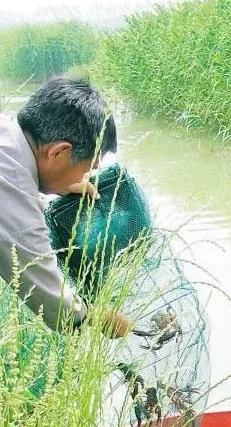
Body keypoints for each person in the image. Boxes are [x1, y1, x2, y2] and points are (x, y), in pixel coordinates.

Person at [0, 76, 130, 336]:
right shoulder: (10, 184)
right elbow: (53, 304)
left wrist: (59, 183)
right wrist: (96, 316)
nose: (85, 179)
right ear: (58, 152)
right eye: (87, 169)